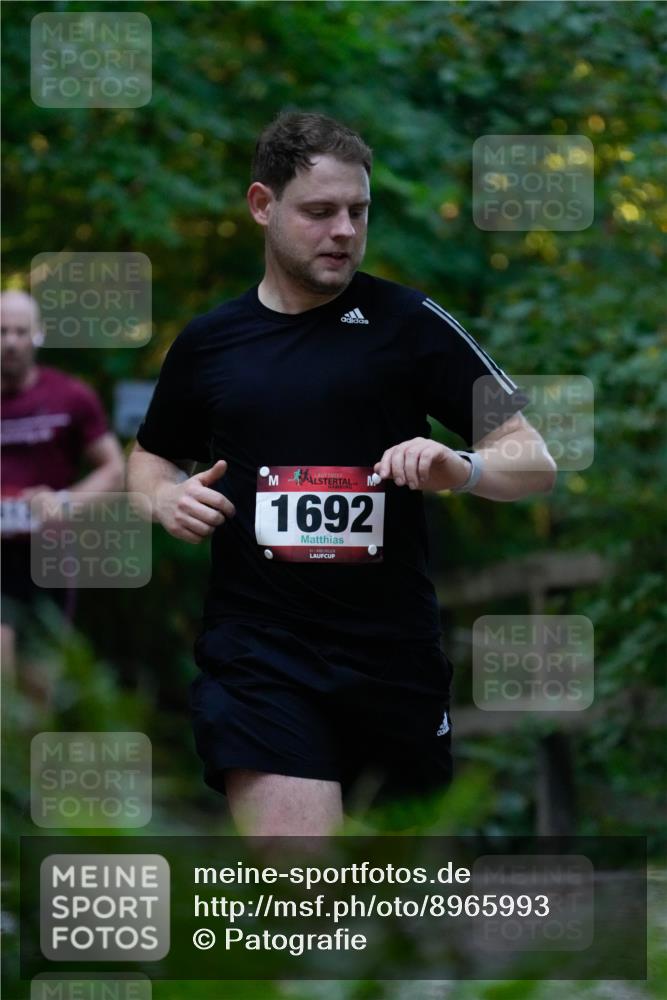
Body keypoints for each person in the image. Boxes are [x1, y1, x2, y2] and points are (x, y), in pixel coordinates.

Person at [127, 111, 556, 836]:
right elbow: (150, 456)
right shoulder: (208, 344)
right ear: (262, 206)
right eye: (320, 212)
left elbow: (533, 459)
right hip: (260, 653)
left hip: (392, 657)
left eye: (358, 212)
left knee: (396, 918)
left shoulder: (410, 323)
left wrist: (462, 466)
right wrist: (164, 497)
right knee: (304, 900)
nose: (344, 232)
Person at [1, 289, 125, 683]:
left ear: (38, 334)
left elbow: (114, 470)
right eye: (2, 331)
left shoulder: (70, 396)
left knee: (38, 693)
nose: (11, 342)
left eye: (21, 332)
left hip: (47, 557)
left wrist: (63, 502)